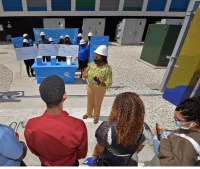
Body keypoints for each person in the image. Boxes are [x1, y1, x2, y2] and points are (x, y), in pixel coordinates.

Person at [24, 75, 88, 166]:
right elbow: (82, 153)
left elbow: (34, 150)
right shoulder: (78, 125)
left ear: (43, 97)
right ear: (64, 96)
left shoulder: (31, 125)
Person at [91, 92, 153, 166]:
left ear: (117, 109)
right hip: (130, 162)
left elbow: (99, 149)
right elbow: (138, 149)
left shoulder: (107, 128)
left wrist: (94, 156)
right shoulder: (145, 129)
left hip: (108, 162)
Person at [154, 96, 200, 166]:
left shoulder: (189, 145)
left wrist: (164, 139)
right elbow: (182, 133)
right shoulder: (190, 128)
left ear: (194, 123)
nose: (175, 120)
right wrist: (166, 131)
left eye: (178, 119)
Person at [82, 45, 112, 124]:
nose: (95, 58)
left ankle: (96, 116)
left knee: (97, 103)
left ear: (102, 57)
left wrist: (102, 83)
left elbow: (109, 81)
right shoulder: (91, 65)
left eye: (97, 57)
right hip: (90, 87)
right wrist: (84, 76)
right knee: (90, 101)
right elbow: (86, 74)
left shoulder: (107, 68)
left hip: (100, 88)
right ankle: (88, 113)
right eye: (94, 56)